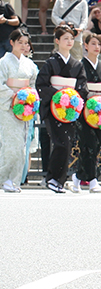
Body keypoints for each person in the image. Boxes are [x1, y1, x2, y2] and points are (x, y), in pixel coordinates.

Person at [36, 24, 88, 193]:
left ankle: (56, 178)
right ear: (57, 41)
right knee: (60, 142)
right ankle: (53, 178)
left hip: (70, 109)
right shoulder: (50, 63)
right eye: (65, 38)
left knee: (65, 142)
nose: (69, 41)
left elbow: (82, 88)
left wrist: (72, 99)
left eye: (72, 38)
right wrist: (59, 97)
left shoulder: (77, 64)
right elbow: (41, 84)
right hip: (54, 108)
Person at [0, 30, 38, 193]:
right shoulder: (3, 62)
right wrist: (15, 97)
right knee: (10, 143)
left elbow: (33, 84)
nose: (24, 46)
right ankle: (4, 177)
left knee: (22, 145)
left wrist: (29, 98)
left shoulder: (29, 64)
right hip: (9, 107)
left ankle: (14, 179)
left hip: (24, 108)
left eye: (26, 43)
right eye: (20, 42)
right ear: (12, 43)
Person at [76, 32, 101, 194]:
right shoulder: (80, 65)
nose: (96, 47)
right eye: (93, 44)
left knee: (96, 144)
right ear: (86, 45)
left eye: (98, 44)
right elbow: (79, 87)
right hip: (85, 110)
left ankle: (77, 178)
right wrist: (87, 103)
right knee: (87, 144)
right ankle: (92, 180)